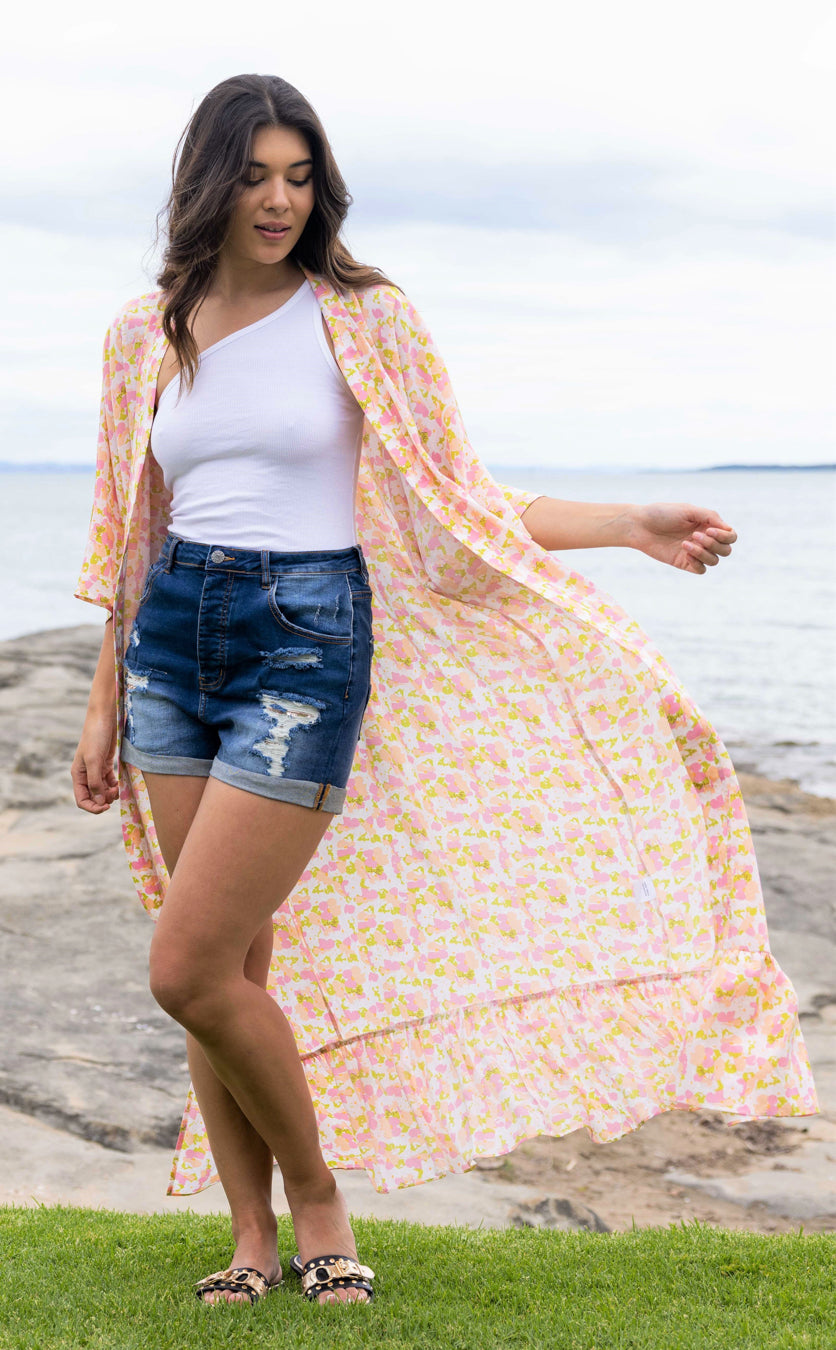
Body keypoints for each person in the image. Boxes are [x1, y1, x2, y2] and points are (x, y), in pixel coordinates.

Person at [71, 74, 818, 1311]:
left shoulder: (365, 319)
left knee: (186, 965)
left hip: (304, 644)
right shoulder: (141, 333)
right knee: (227, 967)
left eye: (300, 176)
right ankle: (250, 1243)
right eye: (256, 174)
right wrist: (100, 703)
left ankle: (321, 1204)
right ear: (206, 180)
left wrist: (629, 521)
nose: (279, 199)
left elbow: (459, 499)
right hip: (167, 649)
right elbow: (126, 532)